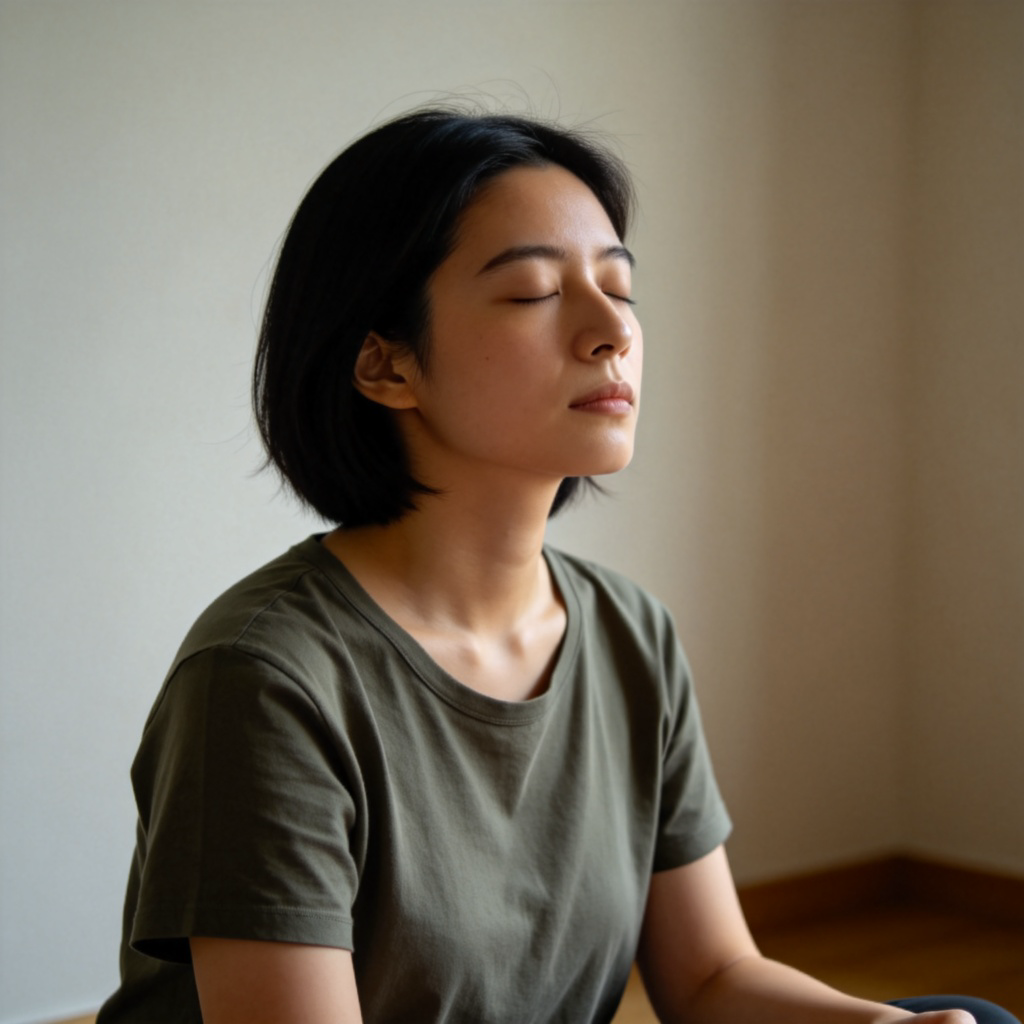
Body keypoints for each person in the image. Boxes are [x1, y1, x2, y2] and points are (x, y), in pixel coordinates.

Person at [97, 107, 1018, 1024]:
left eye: (619, 288)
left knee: (968, 1019)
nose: (609, 330)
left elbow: (708, 979)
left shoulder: (629, 632)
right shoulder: (264, 678)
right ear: (385, 365)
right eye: (536, 292)